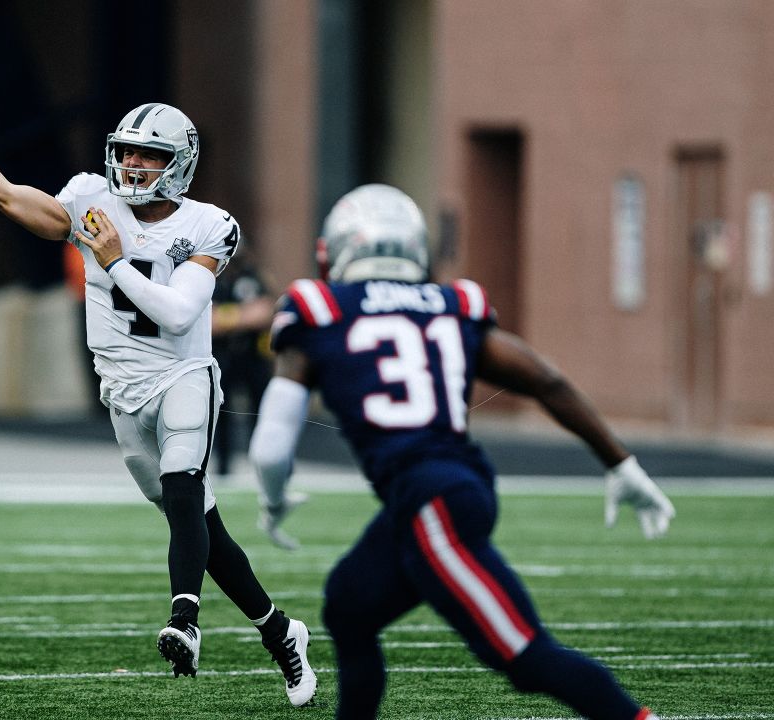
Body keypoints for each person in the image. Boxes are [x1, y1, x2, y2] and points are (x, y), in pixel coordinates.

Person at [0, 88, 317, 706]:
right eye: (126, 153)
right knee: (195, 521)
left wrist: (114, 262)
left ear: (178, 162)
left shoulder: (209, 224)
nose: (132, 166)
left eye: (148, 156)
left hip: (183, 375)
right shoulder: (93, 199)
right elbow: (5, 194)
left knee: (182, 489)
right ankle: (281, 630)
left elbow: (177, 316)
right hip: (120, 387)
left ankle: (184, 621)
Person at [247, 183, 676, 719]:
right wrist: (621, 463)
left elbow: (269, 445)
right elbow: (547, 380)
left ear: (333, 250)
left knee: (525, 656)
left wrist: (273, 497)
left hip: (434, 504)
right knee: (350, 605)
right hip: (443, 492)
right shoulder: (453, 304)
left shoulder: (318, 307)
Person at [209, 250, 275, 478]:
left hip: (253, 357)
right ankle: (223, 466)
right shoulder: (210, 280)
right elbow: (209, 320)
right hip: (222, 356)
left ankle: (263, 463)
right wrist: (243, 316)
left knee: (261, 411)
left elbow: (265, 312)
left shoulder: (253, 279)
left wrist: (227, 317)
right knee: (220, 411)